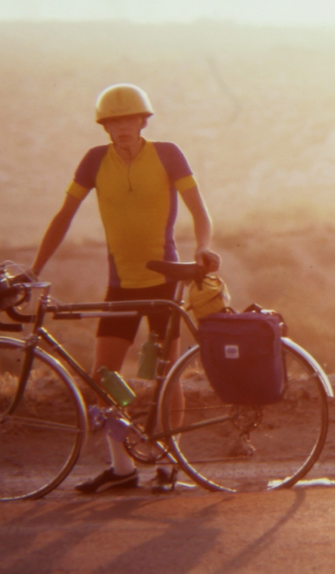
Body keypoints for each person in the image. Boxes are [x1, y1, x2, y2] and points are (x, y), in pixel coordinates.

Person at [31, 83, 219, 494]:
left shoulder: (168, 154)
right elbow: (64, 216)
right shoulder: (94, 161)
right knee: (104, 376)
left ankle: (170, 465)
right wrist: (35, 268)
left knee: (164, 377)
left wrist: (202, 248)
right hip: (121, 285)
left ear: (143, 120)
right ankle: (122, 470)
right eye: (113, 120)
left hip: (163, 282)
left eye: (129, 118)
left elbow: (199, 212)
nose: (122, 126)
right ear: (104, 126)